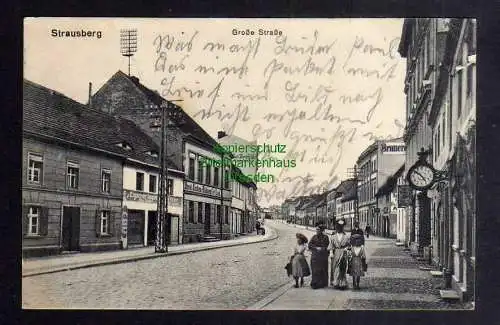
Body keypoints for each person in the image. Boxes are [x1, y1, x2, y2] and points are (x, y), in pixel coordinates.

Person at [308, 222, 330, 289]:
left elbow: (327, 246)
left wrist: (322, 248)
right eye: (316, 229)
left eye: (318, 230)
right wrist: (316, 248)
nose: (316, 231)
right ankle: (315, 283)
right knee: (315, 270)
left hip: (322, 256)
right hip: (315, 256)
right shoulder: (314, 237)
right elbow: (309, 245)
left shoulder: (325, 237)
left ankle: (322, 283)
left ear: (321, 230)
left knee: (322, 270)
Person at [330, 219, 350, 289]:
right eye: (338, 226)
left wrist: (346, 248)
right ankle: (336, 282)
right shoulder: (333, 236)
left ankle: (343, 283)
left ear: (342, 227)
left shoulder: (346, 236)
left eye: (341, 227)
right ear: (336, 227)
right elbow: (331, 246)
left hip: (343, 253)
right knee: (336, 267)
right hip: (336, 252)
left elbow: (349, 245)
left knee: (343, 267)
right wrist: (331, 253)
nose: (339, 228)